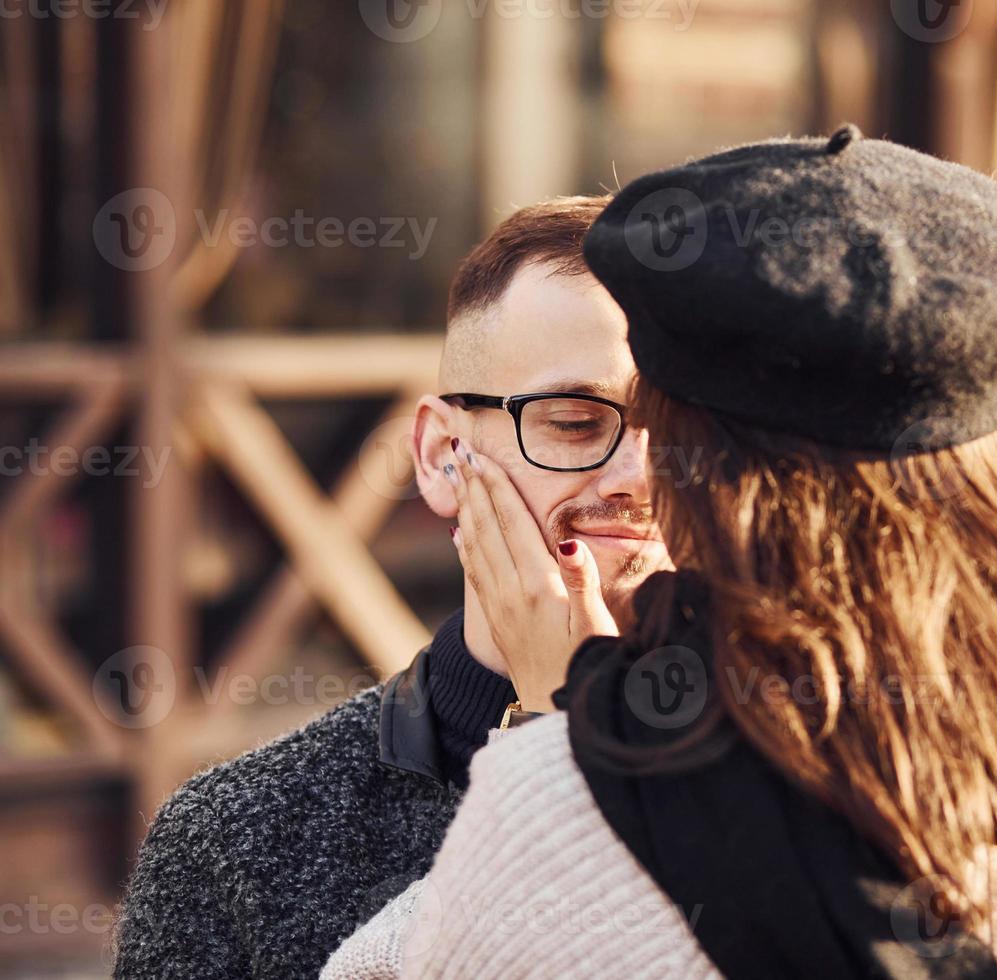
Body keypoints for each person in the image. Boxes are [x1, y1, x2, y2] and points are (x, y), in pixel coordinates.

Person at [325, 127, 997, 979]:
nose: (640, 475)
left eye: (670, 434)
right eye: (579, 422)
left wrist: (564, 736)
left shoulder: (574, 806)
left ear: (731, 485)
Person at [113, 195, 672, 978]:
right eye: (576, 421)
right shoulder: (235, 843)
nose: (641, 475)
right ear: (444, 455)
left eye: (687, 427)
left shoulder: (823, 788)